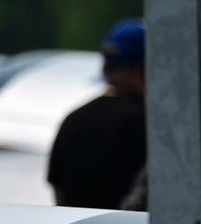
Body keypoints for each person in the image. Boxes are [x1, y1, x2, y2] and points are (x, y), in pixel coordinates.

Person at [48, 19, 150, 210]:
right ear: (145, 67)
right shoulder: (151, 123)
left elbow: (59, 194)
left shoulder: (73, 120)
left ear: (104, 68)